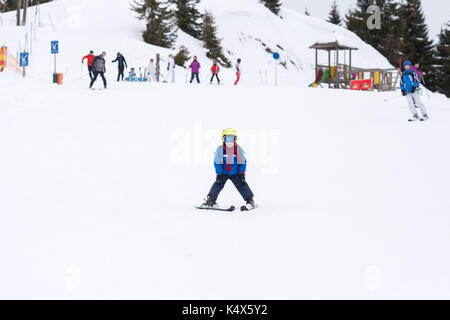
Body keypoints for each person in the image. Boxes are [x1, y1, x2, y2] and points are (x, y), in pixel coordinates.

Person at [202, 128, 256, 210]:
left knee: (242, 184)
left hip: (236, 173)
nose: (229, 142)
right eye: (227, 139)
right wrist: (219, 173)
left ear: (235, 140)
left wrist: (241, 172)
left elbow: (242, 162)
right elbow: (217, 162)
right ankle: (211, 199)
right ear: (223, 139)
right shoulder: (220, 150)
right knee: (218, 184)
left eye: (232, 139)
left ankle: (250, 200)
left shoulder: (238, 150)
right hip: (223, 173)